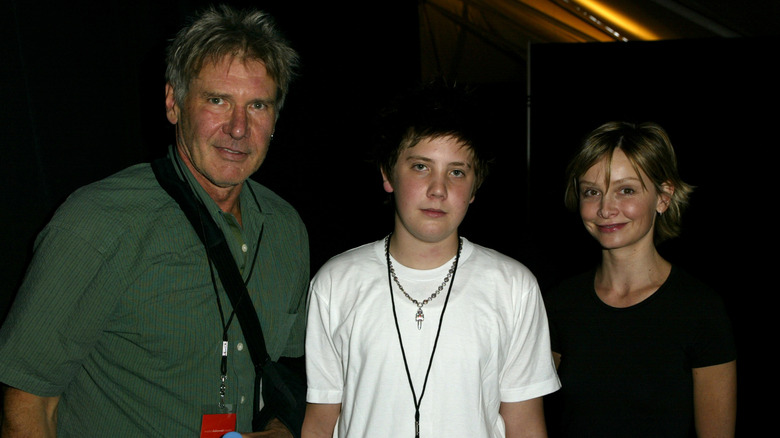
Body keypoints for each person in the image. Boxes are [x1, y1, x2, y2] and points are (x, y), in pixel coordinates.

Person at [0, 5, 308, 437]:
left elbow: (284, 371)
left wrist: (278, 425)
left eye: (257, 105)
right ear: (173, 103)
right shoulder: (98, 223)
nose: (239, 128)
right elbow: (30, 405)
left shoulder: (285, 228)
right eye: (217, 100)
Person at [301, 80, 561, 438]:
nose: (438, 189)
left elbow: (526, 424)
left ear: (474, 188)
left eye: (457, 172)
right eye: (421, 167)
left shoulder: (513, 286)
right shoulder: (336, 282)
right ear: (387, 173)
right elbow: (319, 421)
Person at [544, 121, 737, 437]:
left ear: (663, 197)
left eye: (626, 190)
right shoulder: (560, 304)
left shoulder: (700, 310)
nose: (606, 208)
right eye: (592, 192)